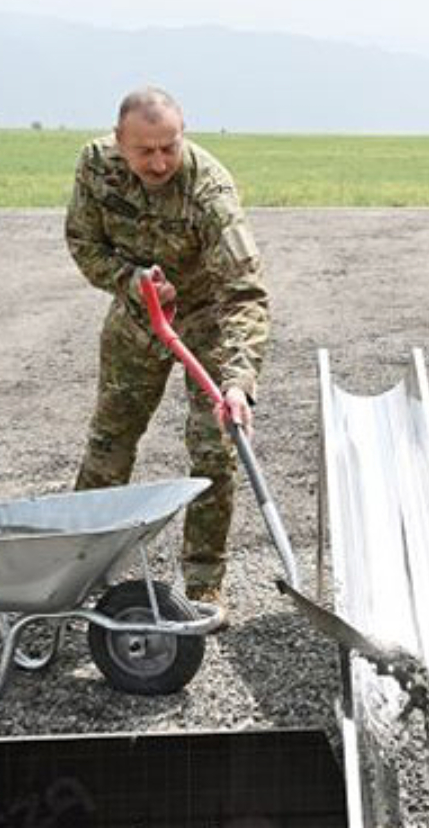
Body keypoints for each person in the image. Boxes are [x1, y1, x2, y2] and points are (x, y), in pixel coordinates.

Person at [65, 87, 269, 609]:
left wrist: (238, 382)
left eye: (169, 147)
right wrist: (131, 281)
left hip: (203, 324)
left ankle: (203, 583)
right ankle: (77, 570)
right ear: (119, 143)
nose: (159, 162)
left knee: (213, 450)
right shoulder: (96, 166)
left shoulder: (210, 191)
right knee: (109, 443)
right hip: (138, 320)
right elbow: (84, 245)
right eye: (145, 150)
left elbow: (245, 293)